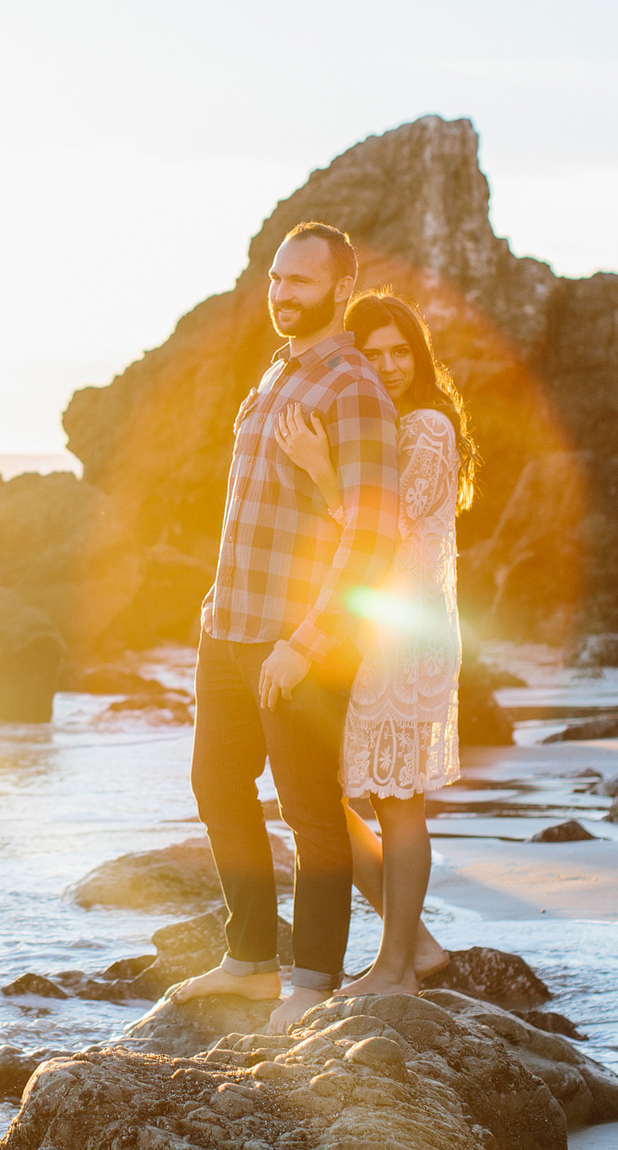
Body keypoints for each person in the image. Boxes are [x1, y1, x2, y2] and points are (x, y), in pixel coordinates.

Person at [169, 221, 399, 1034]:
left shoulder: (353, 387)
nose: (283, 293)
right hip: (228, 626)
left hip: (298, 638)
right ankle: (251, 961)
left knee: (309, 811)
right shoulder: (274, 376)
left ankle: (313, 982)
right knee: (215, 784)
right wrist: (212, 617)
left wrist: (307, 640)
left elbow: (373, 531)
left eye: (301, 280)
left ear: (341, 287)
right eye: (275, 279)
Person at [274, 291, 476, 997]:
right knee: (331, 795)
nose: (389, 365)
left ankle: (396, 971)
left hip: (405, 633)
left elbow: (380, 526)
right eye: (376, 352)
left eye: (402, 352)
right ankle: (412, 943)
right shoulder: (384, 426)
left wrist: (319, 467)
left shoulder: (425, 426)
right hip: (380, 628)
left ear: (419, 360)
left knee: (399, 803)